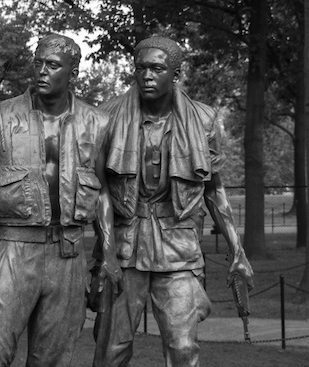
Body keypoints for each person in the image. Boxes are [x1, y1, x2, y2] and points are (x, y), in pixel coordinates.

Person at [0, 33, 123, 367]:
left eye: (52, 65)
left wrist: (108, 252)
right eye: (37, 63)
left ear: (73, 73)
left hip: (68, 255)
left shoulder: (96, 123)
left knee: (52, 359)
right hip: (13, 250)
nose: (41, 71)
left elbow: (102, 194)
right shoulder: (1, 117)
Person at [91, 36, 255, 367]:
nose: (147, 75)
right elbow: (98, 188)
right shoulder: (106, 117)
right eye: (141, 68)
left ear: (175, 75)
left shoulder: (203, 120)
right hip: (125, 245)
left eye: (157, 68)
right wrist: (106, 253)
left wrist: (237, 249)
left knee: (182, 348)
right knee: (111, 349)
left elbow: (214, 189)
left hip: (177, 245)